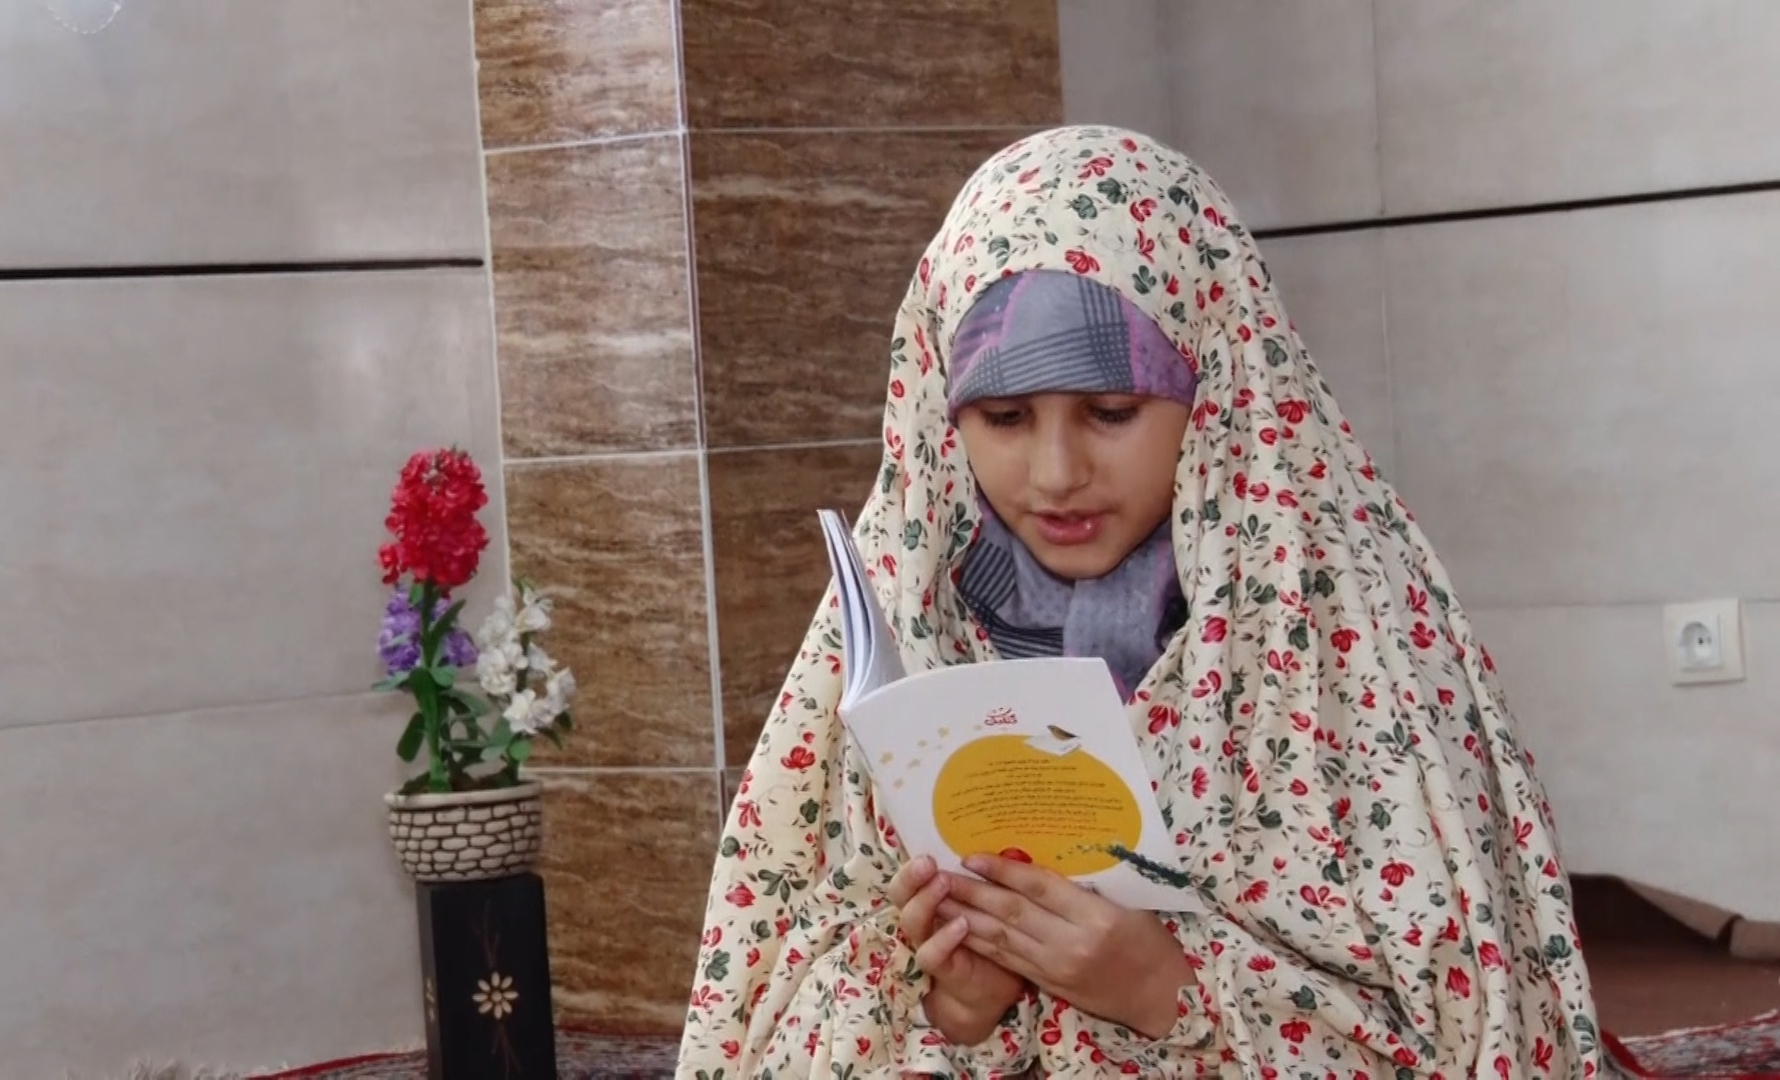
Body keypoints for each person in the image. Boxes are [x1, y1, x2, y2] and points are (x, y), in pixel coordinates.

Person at [675, 125, 1615, 1078]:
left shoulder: (1337, 627)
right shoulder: (905, 611)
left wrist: (1165, 991)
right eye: (1004, 418)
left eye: (1111, 412)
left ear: (1215, 385)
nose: (1056, 473)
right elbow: (764, 1008)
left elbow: (1473, 1034)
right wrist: (957, 1009)